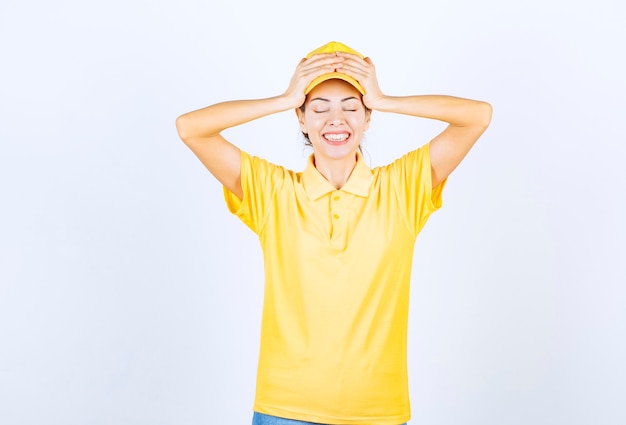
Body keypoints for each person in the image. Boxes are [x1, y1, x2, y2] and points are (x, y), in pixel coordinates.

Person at [175, 41, 492, 425]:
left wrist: (385, 98)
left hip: (379, 412)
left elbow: (477, 116)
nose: (335, 120)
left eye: (351, 107)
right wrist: (283, 97)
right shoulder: (272, 191)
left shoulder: (402, 189)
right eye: (319, 108)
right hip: (284, 409)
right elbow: (190, 128)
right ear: (302, 118)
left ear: (367, 117)